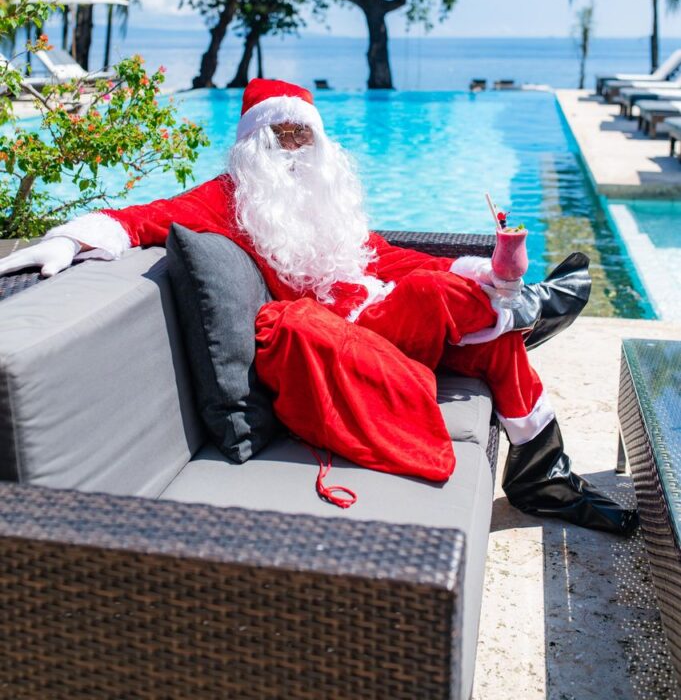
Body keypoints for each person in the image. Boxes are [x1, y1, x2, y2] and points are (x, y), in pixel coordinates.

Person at [0, 77, 636, 534]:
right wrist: (66, 239)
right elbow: (139, 217)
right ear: (255, 144)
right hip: (348, 334)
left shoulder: (329, 200)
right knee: (431, 293)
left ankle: (542, 473)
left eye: (304, 136)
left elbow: (379, 255)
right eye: (282, 137)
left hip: (381, 309)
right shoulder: (227, 200)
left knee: (463, 311)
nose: (295, 150)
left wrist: (477, 268)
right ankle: (524, 311)